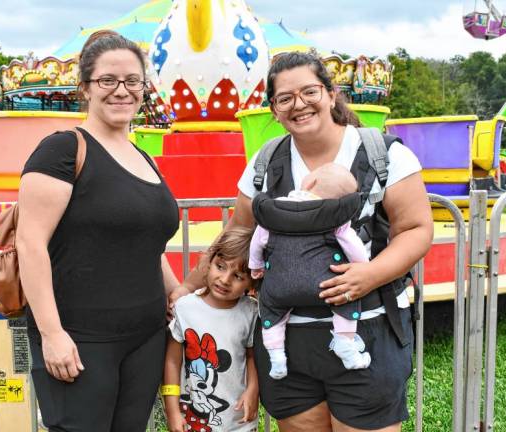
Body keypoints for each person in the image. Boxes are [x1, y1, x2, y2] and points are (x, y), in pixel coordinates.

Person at [171, 51, 433, 432]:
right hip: (287, 342)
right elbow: (236, 237)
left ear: (330, 93)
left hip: (367, 333)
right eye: (285, 98)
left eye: (309, 91)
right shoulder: (266, 163)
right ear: (274, 110)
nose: (299, 104)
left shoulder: (383, 155)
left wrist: (371, 274)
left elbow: (415, 229)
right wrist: (187, 288)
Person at [17, 30, 180, 432]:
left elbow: (146, 243)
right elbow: (30, 243)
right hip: (81, 338)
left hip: (144, 337)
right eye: (108, 80)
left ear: (144, 88)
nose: (121, 91)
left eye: (132, 81)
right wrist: (51, 333)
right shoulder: (62, 150)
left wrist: (175, 290)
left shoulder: (144, 157)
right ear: (85, 88)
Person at [249, 162, 371, 380]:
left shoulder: (274, 211)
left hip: (279, 285)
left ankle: (276, 358)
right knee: (347, 298)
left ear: (311, 182)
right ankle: (345, 342)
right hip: (325, 284)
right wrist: (362, 268)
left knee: (271, 310)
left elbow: (257, 242)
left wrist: (256, 266)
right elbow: (354, 247)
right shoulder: (336, 217)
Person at [163, 227, 259, 432]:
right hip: (192, 420)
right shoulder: (184, 308)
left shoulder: (250, 312)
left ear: (252, 282)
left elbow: (253, 357)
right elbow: (172, 361)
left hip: (238, 420)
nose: (225, 280)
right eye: (220, 266)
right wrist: (172, 410)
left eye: (238, 276)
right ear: (209, 262)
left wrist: (253, 390)